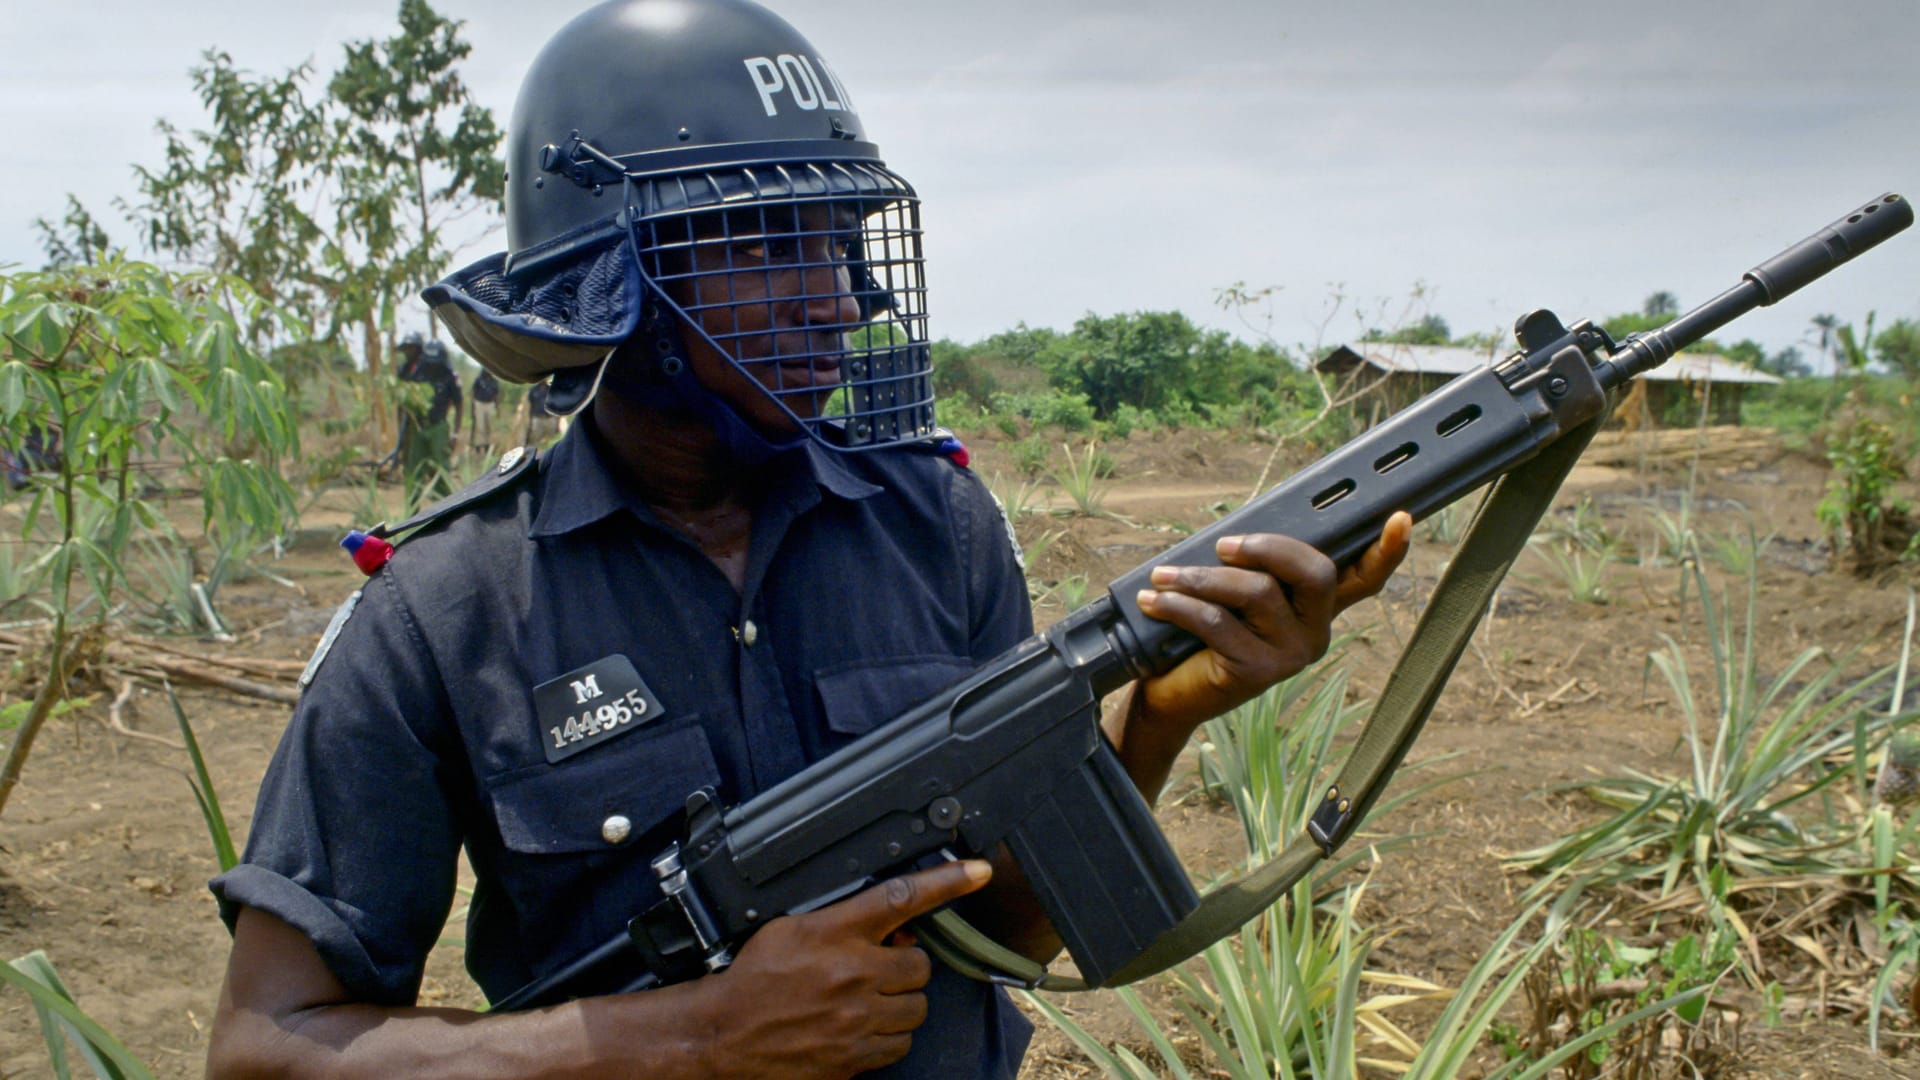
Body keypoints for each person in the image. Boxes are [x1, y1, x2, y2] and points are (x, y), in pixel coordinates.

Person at [205, 2, 1412, 1077]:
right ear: (611, 275)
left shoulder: (935, 527)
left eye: (838, 243)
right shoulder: (446, 606)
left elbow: (1008, 927)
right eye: (772, 243)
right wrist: (699, 1036)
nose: (837, 297)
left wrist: (1162, 713)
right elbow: (266, 1045)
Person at [391, 332, 465, 500]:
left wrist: (455, 433)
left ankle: (445, 509)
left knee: (441, 471)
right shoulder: (417, 373)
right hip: (418, 428)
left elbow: (459, 403)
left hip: (438, 427)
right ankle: (412, 513)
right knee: (414, 471)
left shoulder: (449, 376)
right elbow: (404, 403)